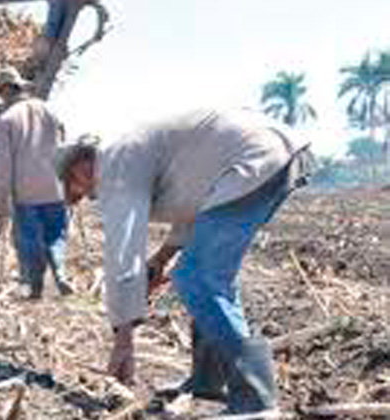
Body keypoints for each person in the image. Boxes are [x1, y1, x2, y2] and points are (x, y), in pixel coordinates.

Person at [56, 109, 313, 415]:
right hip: (272, 155)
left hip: (257, 158)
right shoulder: (134, 155)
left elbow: (123, 251)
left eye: (77, 189)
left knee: (198, 277)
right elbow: (195, 208)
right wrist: (161, 259)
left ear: (80, 168)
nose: (88, 195)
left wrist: (123, 340)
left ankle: (256, 401)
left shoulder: (114, 164)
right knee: (210, 278)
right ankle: (208, 380)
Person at [0, 67, 73, 299]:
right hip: (55, 187)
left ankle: (36, 286)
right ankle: (61, 273)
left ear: (6, 91)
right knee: (55, 236)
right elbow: (65, 147)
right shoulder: (49, 111)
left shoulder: (5, 120)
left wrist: (3, 202)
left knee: (29, 240)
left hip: (26, 192)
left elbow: (3, 167)